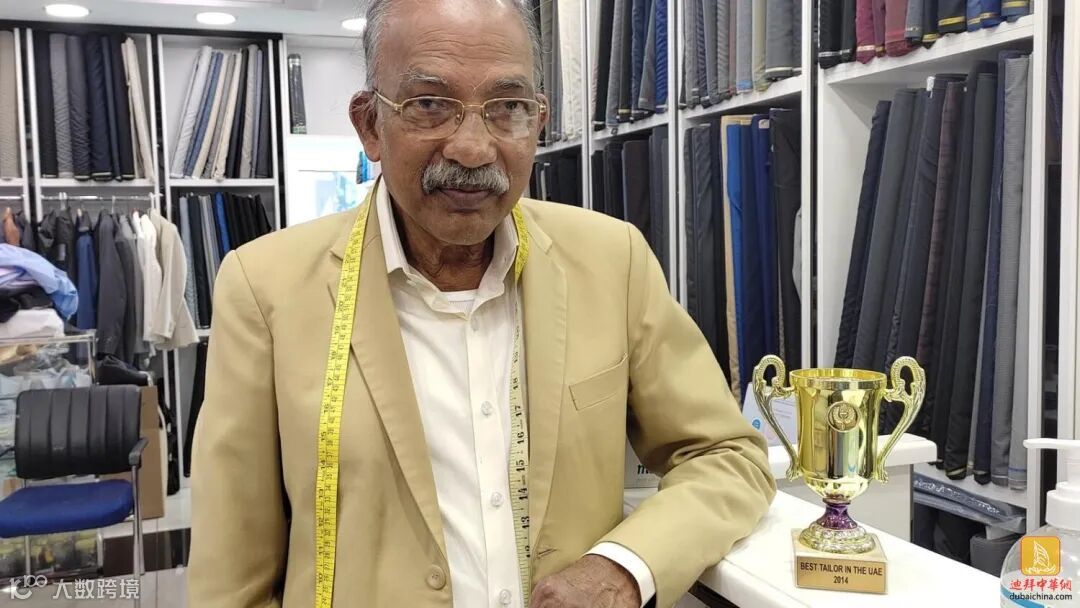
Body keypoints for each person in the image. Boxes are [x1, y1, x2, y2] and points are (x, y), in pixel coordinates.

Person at [187, 0, 775, 606]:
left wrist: (625, 568)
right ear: (369, 126)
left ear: (538, 122)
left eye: (508, 108)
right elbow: (231, 577)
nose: (472, 149)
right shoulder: (267, 288)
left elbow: (726, 456)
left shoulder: (611, 261)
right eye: (429, 104)